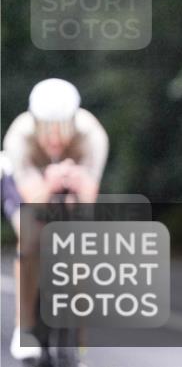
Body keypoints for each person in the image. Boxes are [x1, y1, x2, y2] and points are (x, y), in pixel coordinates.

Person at [2, 78, 108, 361]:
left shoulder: (93, 136)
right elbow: (32, 199)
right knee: (30, 238)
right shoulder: (18, 137)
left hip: (69, 180)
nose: (54, 138)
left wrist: (76, 185)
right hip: (27, 185)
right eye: (46, 128)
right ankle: (24, 328)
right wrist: (49, 184)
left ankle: (79, 336)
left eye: (62, 127)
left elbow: (88, 199)